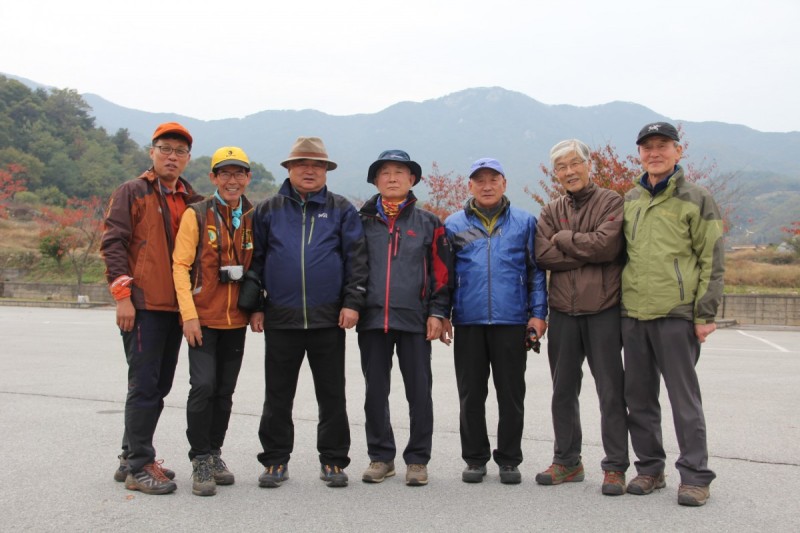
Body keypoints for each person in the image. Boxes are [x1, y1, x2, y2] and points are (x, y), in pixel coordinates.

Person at [249, 136, 368, 488]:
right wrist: (256, 307)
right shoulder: (267, 210)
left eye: (317, 165)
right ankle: (274, 460)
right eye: (302, 164)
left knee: (332, 394)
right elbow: (255, 261)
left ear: (326, 171)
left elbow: (356, 260)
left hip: (328, 318)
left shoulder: (342, 209)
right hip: (280, 318)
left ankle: (333, 460)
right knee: (277, 395)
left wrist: (352, 302)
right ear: (289, 168)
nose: (310, 170)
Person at [622, 122, 725, 506]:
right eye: (647, 147)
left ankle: (695, 476)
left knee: (684, 400)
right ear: (639, 154)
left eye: (662, 145)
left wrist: (705, 313)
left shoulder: (697, 198)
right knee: (639, 399)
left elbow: (712, 259)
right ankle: (650, 469)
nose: (654, 153)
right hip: (633, 314)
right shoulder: (630, 199)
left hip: (676, 313)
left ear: (678, 151)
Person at [101, 122, 202, 495]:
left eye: (180, 151)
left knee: (158, 385)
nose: (172, 157)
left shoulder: (190, 199)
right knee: (144, 385)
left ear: (187, 158)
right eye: (165, 149)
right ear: (152, 152)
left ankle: (130, 456)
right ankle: (139, 467)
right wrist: (122, 297)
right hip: (143, 304)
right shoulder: (133, 191)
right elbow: (113, 243)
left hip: (175, 307)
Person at [442, 158, 547, 484]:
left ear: (504, 183)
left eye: (493, 179)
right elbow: (444, 276)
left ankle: (509, 460)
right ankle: (475, 459)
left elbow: (536, 272)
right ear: (470, 186)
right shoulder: (453, 224)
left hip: (512, 320)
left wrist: (538, 314)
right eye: (480, 180)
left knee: (511, 395)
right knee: (471, 394)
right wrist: (442, 314)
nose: (487, 186)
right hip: (469, 321)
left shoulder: (524, 222)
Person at [533, 139, 629, 495]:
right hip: (563, 311)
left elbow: (608, 246)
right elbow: (543, 255)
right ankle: (567, 461)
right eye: (561, 167)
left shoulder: (611, 201)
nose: (569, 171)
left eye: (575, 163)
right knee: (562, 391)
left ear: (589, 165)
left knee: (610, 391)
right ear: (555, 173)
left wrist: (565, 238)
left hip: (603, 308)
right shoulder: (550, 210)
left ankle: (615, 466)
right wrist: (588, 249)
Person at [357, 150, 453, 486]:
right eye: (385, 172)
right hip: (372, 319)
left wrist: (438, 312)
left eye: (400, 171)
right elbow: (352, 268)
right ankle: (381, 457)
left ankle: (417, 459)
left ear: (412, 179)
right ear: (375, 181)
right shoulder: (361, 221)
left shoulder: (429, 223)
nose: (392, 178)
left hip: (415, 319)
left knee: (419, 392)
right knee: (375, 392)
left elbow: (442, 274)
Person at [172, 146, 255, 496]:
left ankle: (215, 452)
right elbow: (180, 265)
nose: (232, 180)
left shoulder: (253, 215)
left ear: (248, 178)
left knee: (224, 391)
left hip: (236, 320)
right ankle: (199, 458)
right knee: (203, 386)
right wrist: (188, 315)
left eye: (239, 173)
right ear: (213, 177)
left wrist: (257, 309)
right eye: (225, 173)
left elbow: (258, 266)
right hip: (203, 318)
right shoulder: (197, 213)